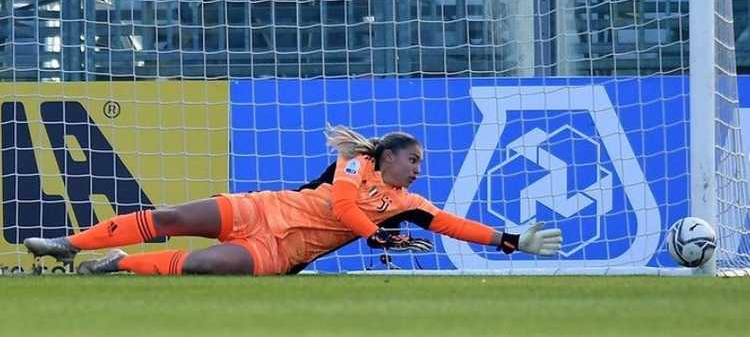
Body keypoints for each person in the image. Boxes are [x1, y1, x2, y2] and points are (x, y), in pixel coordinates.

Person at [24, 124, 563, 275]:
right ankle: (69, 244)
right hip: (267, 209)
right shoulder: (354, 164)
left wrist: (510, 240)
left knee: (206, 266)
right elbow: (347, 209)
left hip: (282, 252)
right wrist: (374, 234)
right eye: (414, 160)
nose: (419, 169)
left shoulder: (405, 203)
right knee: (172, 216)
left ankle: (118, 264)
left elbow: (452, 224)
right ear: (390, 156)